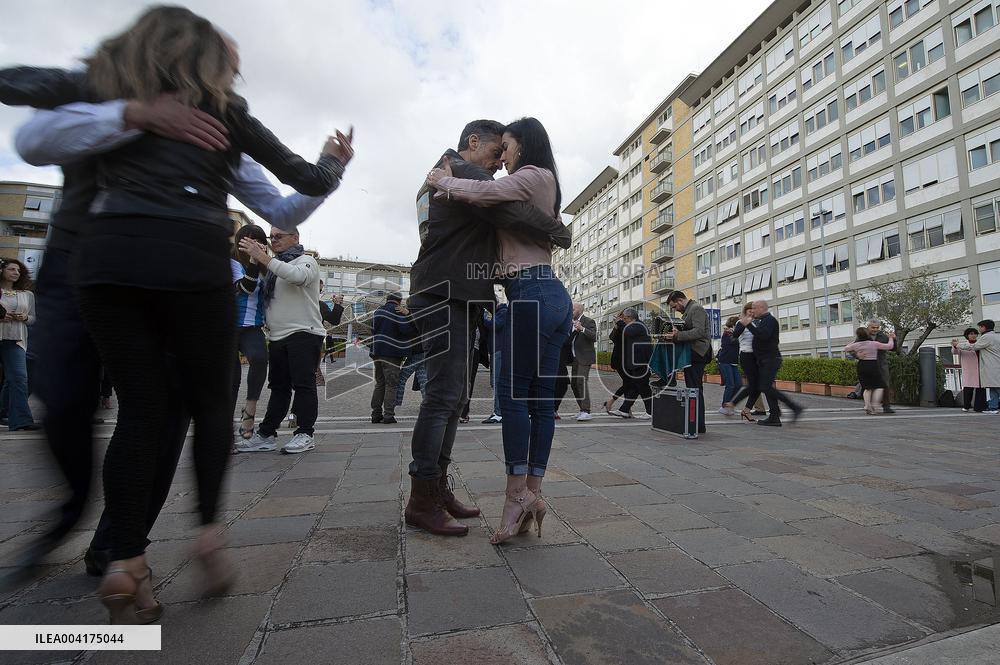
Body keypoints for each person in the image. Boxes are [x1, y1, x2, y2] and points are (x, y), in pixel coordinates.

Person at [1, 41, 348, 582]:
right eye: (222, 63)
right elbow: (27, 123)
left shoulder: (218, 121)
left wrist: (332, 165)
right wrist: (132, 113)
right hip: (79, 261)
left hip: (169, 274)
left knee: (158, 410)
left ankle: (121, 541)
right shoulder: (107, 87)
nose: (229, 76)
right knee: (64, 398)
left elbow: (282, 198)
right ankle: (77, 513)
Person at [404, 119, 570, 538]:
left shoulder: (449, 174)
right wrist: (558, 230)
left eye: (504, 154)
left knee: (456, 396)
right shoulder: (458, 169)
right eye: (497, 153)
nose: (499, 164)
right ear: (473, 142)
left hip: (460, 293)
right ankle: (423, 498)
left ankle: (438, 489)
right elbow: (508, 209)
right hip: (446, 292)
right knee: (444, 396)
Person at [238, 226, 338, 453]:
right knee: (279, 387)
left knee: (304, 384)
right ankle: (266, 435)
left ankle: (305, 433)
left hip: (304, 332)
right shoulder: (272, 269)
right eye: (271, 236)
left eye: (279, 236)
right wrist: (256, 261)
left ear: (295, 237)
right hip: (277, 335)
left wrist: (264, 258)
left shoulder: (306, 261)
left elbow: (298, 277)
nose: (274, 240)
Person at [732, 300, 803, 427]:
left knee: (765, 387)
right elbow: (738, 335)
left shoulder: (769, 320)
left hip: (770, 359)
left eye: (754, 308)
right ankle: (774, 416)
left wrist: (749, 325)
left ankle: (794, 407)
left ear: (761, 308)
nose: (753, 311)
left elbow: (763, 335)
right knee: (766, 387)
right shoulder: (763, 320)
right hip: (764, 360)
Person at [231, 224, 270, 440]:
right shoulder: (232, 263)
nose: (254, 245)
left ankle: (249, 410)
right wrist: (255, 261)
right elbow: (245, 288)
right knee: (231, 378)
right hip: (227, 327)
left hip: (252, 327)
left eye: (258, 241)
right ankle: (224, 432)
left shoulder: (266, 268)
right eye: (249, 241)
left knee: (260, 359)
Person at [0, 258, 38, 432]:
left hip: (16, 341)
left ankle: (21, 420)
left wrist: (25, 317)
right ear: (2, 271)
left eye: (18, 270)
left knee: (19, 378)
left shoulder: (27, 295)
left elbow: (33, 318)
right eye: (11, 269)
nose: (16, 273)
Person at [665, 291, 710, 433]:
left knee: (695, 388)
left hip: (698, 353)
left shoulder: (696, 309)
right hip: (693, 353)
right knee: (693, 388)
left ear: (679, 300)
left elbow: (699, 332)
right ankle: (697, 422)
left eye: (674, 306)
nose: (675, 310)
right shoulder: (689, 310)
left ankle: (698, 424)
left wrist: (678, 335)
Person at [369, 292, 415, 425]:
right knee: (391, 384)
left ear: (387, 299)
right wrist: (409, 316)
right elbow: (406, 330)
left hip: (377, 351)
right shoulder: (398, 311)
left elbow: (372, 330)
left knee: (380, 383)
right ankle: (388, 415)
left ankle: (375, 414)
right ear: (399, 301)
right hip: (392, 353)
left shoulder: (378, 311)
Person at [554, 302, 597, 421]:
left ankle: (586, 411)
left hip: (584, 357)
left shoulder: (588, 321)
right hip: (574, 359)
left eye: (573, 309)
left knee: (581, 381)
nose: (571, 311)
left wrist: (582, 329)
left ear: (579, 310)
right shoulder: (569, 322)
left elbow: (594, 336)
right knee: (574, 384)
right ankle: (582, 409)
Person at [723, 302, 766, 421]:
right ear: (745, 311)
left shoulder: (757, 322)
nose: (752, 312)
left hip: (757, 356)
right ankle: (733, 404)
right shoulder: (740, 322)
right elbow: (735, 335)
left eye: (754, 310)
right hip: (746, 355)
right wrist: (745, 322)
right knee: (754, 384)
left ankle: (746, 410)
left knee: (759, 385)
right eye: (749, 310)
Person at [607, 308, 653, 419]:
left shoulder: (638, 326)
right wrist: (617, 326)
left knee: (643, 388)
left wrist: (619, 322)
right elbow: (616, 336)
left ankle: (651, 412)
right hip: (635, 363)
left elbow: (628, 331)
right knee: (635, 386)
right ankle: (624, 410)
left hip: (641, 362)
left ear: (629, 318)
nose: (623, 320)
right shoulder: (631, 326)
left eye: (624, 319)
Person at [844, 327, 896, 415]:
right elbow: (889, 346)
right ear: (868, 334)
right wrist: (891, 338)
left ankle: (867, 405)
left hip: (861, 366)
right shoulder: (874, 344)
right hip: (872, 365)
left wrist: (855, 343)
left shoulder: (856, 345)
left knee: (867, 388)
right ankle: (875, 405)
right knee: (880, 386)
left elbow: (846, 348)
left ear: (858, 336)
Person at [954, 319, 1000, 414]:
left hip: (991, 366)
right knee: (993, 387)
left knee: (995, 388)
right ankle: (993, 407)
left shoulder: (986, 337)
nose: (979, 330)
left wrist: (957, 345)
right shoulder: (997, 336)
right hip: (993, 365)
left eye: (980, 327)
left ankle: (992, 407)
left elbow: (973, 347)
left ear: (984, 327)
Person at [482, 298, 508, 423]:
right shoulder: (499, 313)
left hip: (499, 351)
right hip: (496, 351)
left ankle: (499, 413)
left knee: (497, 382)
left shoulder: (503, 312)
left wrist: (482, 317)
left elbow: (494, 325)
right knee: (495, 382)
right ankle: (499, 411)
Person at [865, 319, 896, 414]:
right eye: (873, 327)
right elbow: (854, 347)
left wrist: (893, 339)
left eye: (877, 327)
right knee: (869, 386)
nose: (875, 329)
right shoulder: (863, 336)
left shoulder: (883, 336)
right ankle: (869, 406)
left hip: (881, 364)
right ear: (868, 327)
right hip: (868, 364)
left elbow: (893, 348)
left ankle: (886, 406)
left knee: (885, 384)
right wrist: (858, 356)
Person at [604, 311, 629, 413]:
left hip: (624, 360)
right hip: (621, 360)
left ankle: (626, 409)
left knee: (627, 383)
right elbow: (612, 337)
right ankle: (612, 402)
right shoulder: (622, 328)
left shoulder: (624, 327)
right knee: (629, 383)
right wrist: (617, 324)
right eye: (623, 317)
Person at [954, 328, 984, 412]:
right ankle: (966, 406)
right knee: (968, 389)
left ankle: (979, 407)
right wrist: (955, 345)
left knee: (981, 389)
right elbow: (955, 352)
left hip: (980, 369)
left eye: (975, 333)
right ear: (967, 335)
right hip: (969, 370)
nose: (973, 335)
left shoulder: (980, 344)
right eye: (971, 334)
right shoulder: (963, 345)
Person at [717, 316, 741, 416]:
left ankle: (729, 404)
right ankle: (724, 406)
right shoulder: (727, 333)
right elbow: (733, 341)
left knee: (739, 384)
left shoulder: (735, 333)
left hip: (733, 362)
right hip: (725, 361)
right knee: (730, 385)